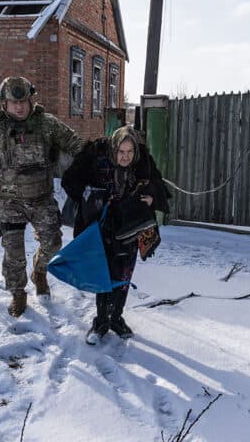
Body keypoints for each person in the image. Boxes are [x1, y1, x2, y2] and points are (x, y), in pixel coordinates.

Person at [0, 76, 84, 317]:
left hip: (42, 198)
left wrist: (89, 163)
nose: (19, 107)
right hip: (9, 200)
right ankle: (18, 292)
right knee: (13, 252)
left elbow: (75, 143)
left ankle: (40, 271)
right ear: (4, 103)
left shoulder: (47, 124)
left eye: (24, 101)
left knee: (53, 242)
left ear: (30, 100)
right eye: (14, 103)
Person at [61, 126, 170, 344]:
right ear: (114, 147)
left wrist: (150, 197)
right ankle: (101, 321)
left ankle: (117, 318)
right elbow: (70, 180)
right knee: (105, 273)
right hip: (100, 227)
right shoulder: (96, 154)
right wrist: (88, 195)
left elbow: (159, 187)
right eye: (121, 152)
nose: (125, 157)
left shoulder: (143, 159)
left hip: (129, 226)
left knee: (124, 274)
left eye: (129, 152)